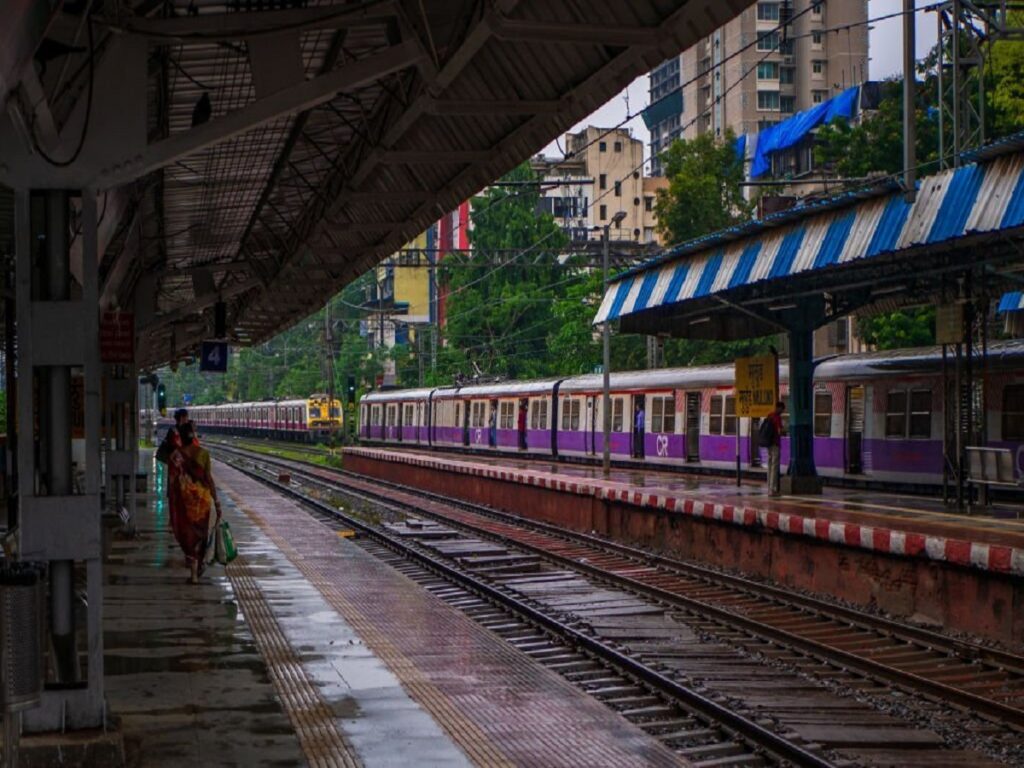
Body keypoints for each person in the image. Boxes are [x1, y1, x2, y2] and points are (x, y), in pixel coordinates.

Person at [168, 422, 221, 584]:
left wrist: (172, 505)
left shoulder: (175, 456)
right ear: (194, 437)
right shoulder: (204, 454)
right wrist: (216, 501)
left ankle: (193, 574)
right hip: (203, 502)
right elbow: (209, 479)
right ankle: (199, 566)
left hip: (184, 503)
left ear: (181, 438)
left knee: (187, 536)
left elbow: (172, 481)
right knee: (201, 535)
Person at [762, 400, 786, 497]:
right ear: (779, 408)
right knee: (774, 467)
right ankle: (773, 490)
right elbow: (780, 432)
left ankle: (769, 489)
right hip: (775, 444)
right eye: (783, 409)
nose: (783, 411)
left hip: (768, 444)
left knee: (770, 466)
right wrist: (784, 432)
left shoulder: (769, 415)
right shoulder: (777, 418)